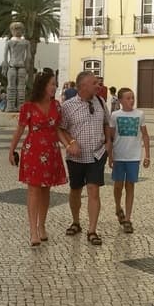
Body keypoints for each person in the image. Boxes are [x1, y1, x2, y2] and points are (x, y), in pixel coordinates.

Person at [8, 70, 69, 246]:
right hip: (33, 151)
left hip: (51, 151)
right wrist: (11, 150)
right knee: (33, 190)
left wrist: (68, 144)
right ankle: (33, 230)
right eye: (52, 84)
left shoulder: (56, 106)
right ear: (43, 86)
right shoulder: (28, 107)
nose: (55, 87)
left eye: (55, 84)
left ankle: (42, 225)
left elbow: (57, 129)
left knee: (46, 190)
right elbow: (20, 130)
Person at [59, 71, 112, 246]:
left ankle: (92, 230)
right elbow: (61, 129)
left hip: (97, 154)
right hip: (76, 157)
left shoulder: (101, 102)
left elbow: (106, 123)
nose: (98, 86)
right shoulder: (68, 106)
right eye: (94, 83)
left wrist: (108, 142)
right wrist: (70, 143)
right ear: (83, 86)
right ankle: (76, 222)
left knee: (93, 190)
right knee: (75, 190)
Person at [107, 87, 150, 234]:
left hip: (134, 156)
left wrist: (147, 155)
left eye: (133, 98)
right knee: (118, 186)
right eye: (128, 98)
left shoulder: (140, 114)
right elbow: (111, 137)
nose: (131, 100)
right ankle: (118, 207)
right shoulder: (115, 116)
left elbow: (145, 135)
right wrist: (110, 156)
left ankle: (128, 219)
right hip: (119, 156)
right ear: (120, 100)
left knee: (130, 186)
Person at [2, 22, 31, 112]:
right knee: (20, 87)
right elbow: (28, 57)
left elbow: (5, 56)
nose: (17, 31)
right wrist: (27, 66)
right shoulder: (26, 42)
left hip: (13, 65)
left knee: (12, 87)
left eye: (19, 29)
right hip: (20, 66)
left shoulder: (9, 42)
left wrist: (5, 66)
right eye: (16, 29)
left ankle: (11, 106)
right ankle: (20, 106)